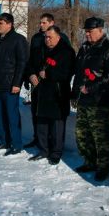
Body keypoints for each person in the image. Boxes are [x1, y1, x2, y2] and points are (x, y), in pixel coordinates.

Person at [71, 16, 109, 181]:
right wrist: (75, 94)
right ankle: (89, 161)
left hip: (102, 101)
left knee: (101, 138)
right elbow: (79, 73)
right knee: (82, 135)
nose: (87, 34)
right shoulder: (85, 48)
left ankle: (103, 167)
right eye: (85, 31)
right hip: (84, 100)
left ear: (100, 30)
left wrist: (92, 88)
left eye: (90, 31)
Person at [27, 26, 75, 164]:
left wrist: (49, 74)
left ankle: (56, 152)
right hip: (40, 92)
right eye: (46, 37)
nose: (47, 40)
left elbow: (68, 72)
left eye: (50, 37)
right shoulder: (39, 49)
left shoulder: (67, 51)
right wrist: (31, 75)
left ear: (58, 37)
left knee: (57, 126)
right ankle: (43, 149)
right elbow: (29, 65)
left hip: (57, 93)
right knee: (41, 123)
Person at [25, 13, 69, 148]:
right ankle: (38, 138)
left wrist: (51, 75)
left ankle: (54, 143)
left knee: (53, 115)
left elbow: (65, 62)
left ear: (52, 23)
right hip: (36, 82)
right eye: (40, 22)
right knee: (36, 112)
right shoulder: (36, 38)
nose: (41, 25)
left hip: (53, 84)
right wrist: (30, 75)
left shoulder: (62, 39)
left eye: (44, 23)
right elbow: (30, 59)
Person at [0, 13, 28, 156]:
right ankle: (5, 141)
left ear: (10, 24)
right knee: (0, 116)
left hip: (11, 85)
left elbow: (22, 62)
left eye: (1, 23)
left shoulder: (18, 40)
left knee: (12, 116)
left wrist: (17, 83)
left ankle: (17, 144)